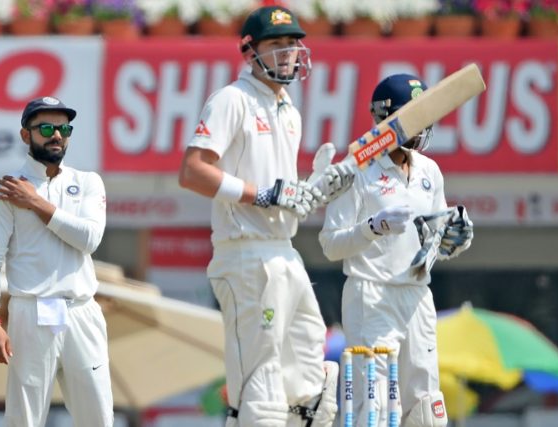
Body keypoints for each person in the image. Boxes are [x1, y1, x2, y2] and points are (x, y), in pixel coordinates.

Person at [178, 5, 353, 427]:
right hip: (245, 256)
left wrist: (312, 188)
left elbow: (282, 194)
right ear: (249, 51)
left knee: (312, 381)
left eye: (293, 44)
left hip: (285, 252)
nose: (288, 53)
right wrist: (264, 195)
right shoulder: (231, 100)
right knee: (261, 385)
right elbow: (192, 172)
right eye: (276, 45)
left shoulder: (288, 109)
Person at [319, 74, 473, 427]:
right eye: (414, 114)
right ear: (387, 118)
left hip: (417, 295)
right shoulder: (357, 168)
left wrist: (454, 240)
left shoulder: (429, 171)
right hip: (370, 296)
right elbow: (330, 244)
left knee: (426, 404)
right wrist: (373, 227)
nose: (423, 123)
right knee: (374, 406)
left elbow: (433, 240)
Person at [0, 96, 113, 427]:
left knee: (99, 418)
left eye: (64, 128)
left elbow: (90, 240)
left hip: (82, 311)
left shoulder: (88, 182)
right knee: (24, 419)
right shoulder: (6, 190)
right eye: (47, 128)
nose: (57, 135)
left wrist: (37, 203)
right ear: (26, 135)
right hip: (32, 310)